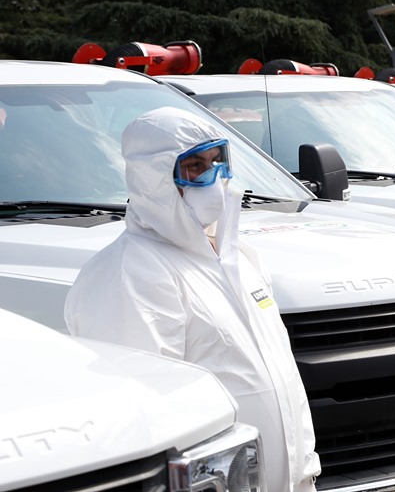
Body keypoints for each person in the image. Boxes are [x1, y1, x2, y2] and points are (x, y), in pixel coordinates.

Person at [64, 107, 321, 492]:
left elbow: (280, 375)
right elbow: (142, 414)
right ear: (155, 177)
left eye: (217, 162)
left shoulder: (235, 257)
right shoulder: (130, 273)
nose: (212, 177)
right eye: (195, 166)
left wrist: (304, 466)